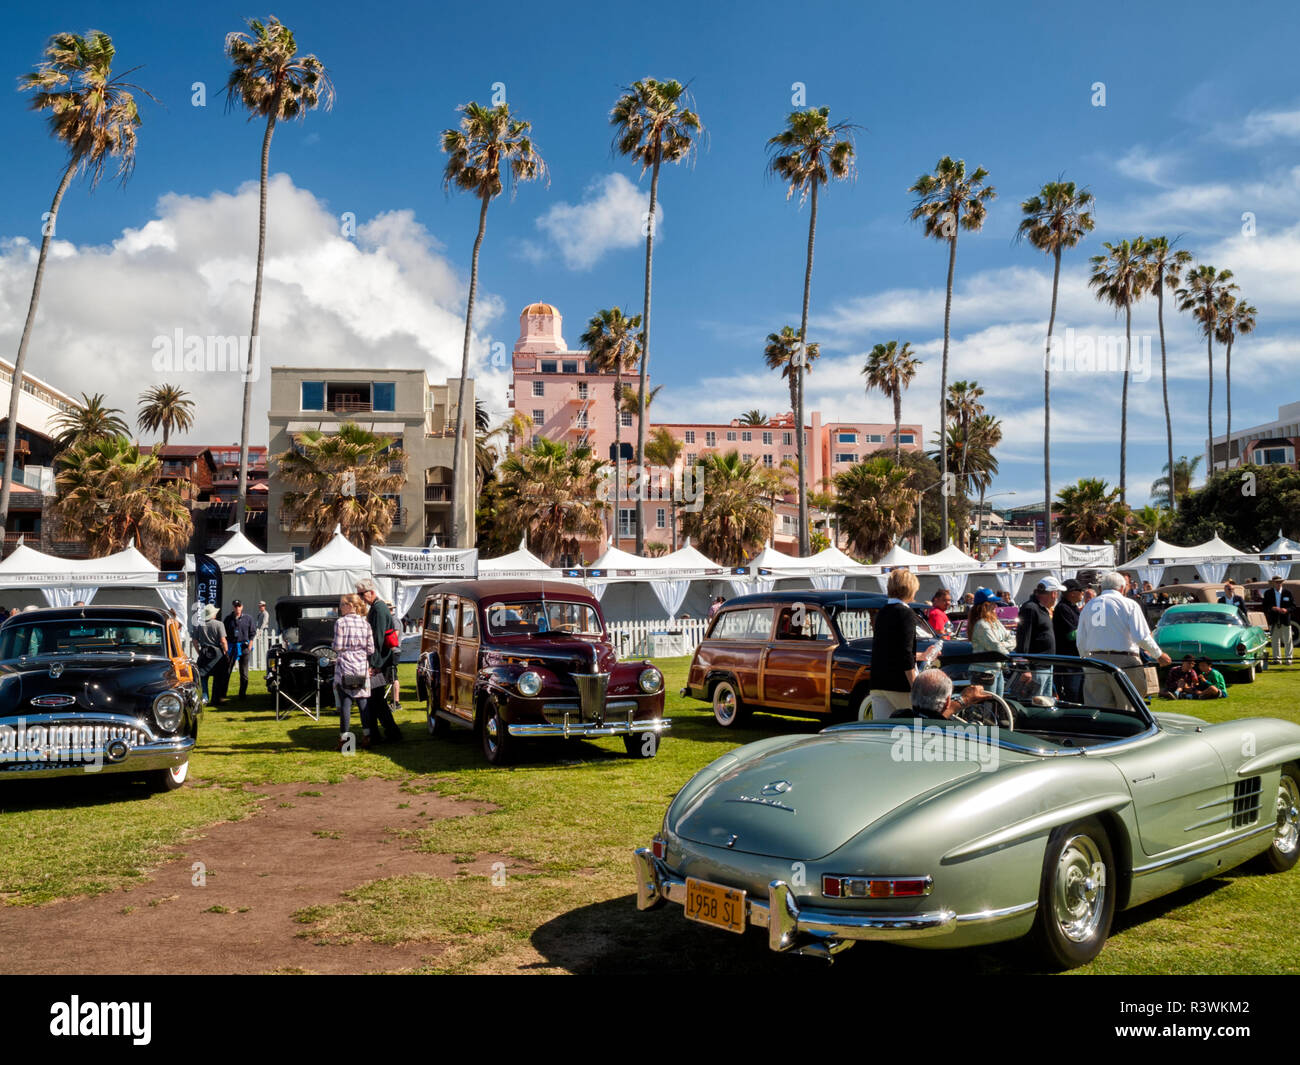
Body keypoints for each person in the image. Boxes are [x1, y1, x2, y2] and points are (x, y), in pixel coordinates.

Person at [1077, 570, 1171, 707]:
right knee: (1129, 709)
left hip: (1095, 662)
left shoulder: (1088, 606)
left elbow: (1081, 641)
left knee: (1099, 712)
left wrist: (1086, 663)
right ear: (1122, 588)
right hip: (1124, 662)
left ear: (1101, 588)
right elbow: (1141, 637)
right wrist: (1159, 654)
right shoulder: (1129, 604)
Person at [865, 568, 931, 720]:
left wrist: (921, 656)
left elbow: (889, 649)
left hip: (878, 681)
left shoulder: (882, 613)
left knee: (883, 731)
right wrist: (914, 684)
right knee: (915, 725)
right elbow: (904, 653)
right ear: (910, 589)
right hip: (899, 684)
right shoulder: (906, 613)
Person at [356, 578, 402, 743]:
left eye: (362, 594)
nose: (360, 598)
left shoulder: (379, 608)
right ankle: (382, 734)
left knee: (376, 700)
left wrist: (374, 665)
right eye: (358, 594)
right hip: (379, 661)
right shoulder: (376, 607)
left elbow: (379, 638)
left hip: (380, 662)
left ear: (371, 592)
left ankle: (391, 733)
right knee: (375, 699)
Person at [332, 594, 375, 750]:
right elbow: (371, 648)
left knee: (346, 705)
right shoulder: (366, 624)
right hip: (361, 666)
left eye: (342, 604)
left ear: (350, 605)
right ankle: (367, 736)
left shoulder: (341, 623)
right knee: (363, 703)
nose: (340, 607)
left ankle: (345, 741)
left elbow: (337, 646)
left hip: (346, 666)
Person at [1015, 577, 1062, 697]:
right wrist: (1024, 668)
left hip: (1046, 666)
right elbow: (1023, 639)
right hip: (1036, 668)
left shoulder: (1042, 609)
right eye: (1057, 593)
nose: (1057, 597)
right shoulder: (1030, 608)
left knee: (1045, 703)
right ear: (1053, 593)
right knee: (1035, 702)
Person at [890, 667, 988, 720]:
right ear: (947, 702)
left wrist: (962, 701)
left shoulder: (896, 717)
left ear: (912, 695)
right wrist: (963, 700)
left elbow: (928, 719)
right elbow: (933, 720)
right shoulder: (951, 732)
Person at [969, 599, 1014, 695]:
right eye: (992, 604)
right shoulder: (981, 624)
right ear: (984, 606)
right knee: (988, 706)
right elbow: (995, 647)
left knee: (997, 704)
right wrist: (1005, 647)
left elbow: (1013, 640)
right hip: (984, 671)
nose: (996, 606)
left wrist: (1002, 645)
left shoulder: (996, 622)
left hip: (996, 669)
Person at [1052, 579, 1086, 702]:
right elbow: (1070, 635)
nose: (1083, 593)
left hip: (1077, 660)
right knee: (1072, 696)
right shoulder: (1062, 608)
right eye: (1080, 590)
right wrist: (1089, 630)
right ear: (1072, 592)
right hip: (1068, 662)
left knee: (1081, 696)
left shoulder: (1073, 608)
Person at [191, 604, 228, 704]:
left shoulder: (199, 625)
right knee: (218, 677)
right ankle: (216, 699)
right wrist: (225, 652)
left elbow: (194, 640)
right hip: (217, 653)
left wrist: (199, 652)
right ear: (213, 614)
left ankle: (205, 698)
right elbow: (223, 640)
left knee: (203, 676)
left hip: (204, 652)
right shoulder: (219, 624)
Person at [223, 599, 258, 700]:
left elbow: (252, 632)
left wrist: (250, 644)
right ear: (233, 607)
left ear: (242, 607)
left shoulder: (248, 618)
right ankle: (223, 694)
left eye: (239, 606)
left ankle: (242, 694)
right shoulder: (228, 619)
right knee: (227, 671)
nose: (237, 608)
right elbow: (223, 633)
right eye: (235, 606)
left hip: (244, 647)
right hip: (231, 647)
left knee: (244, 673)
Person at [1263, 576, 1295, 666]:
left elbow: (1293, 606)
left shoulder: (1288, 593)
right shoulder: (1268, 593)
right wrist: (1272, 608)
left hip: (1285, 619)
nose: (1278, 584)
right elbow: (1265, 606)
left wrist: (1286, 610)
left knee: (1288, 640)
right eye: (1276, 582)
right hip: (1273, 620)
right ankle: (1277, 659)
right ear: (1273, 583)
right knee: (1275, 640)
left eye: (1280, 582)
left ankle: (1289, 659)